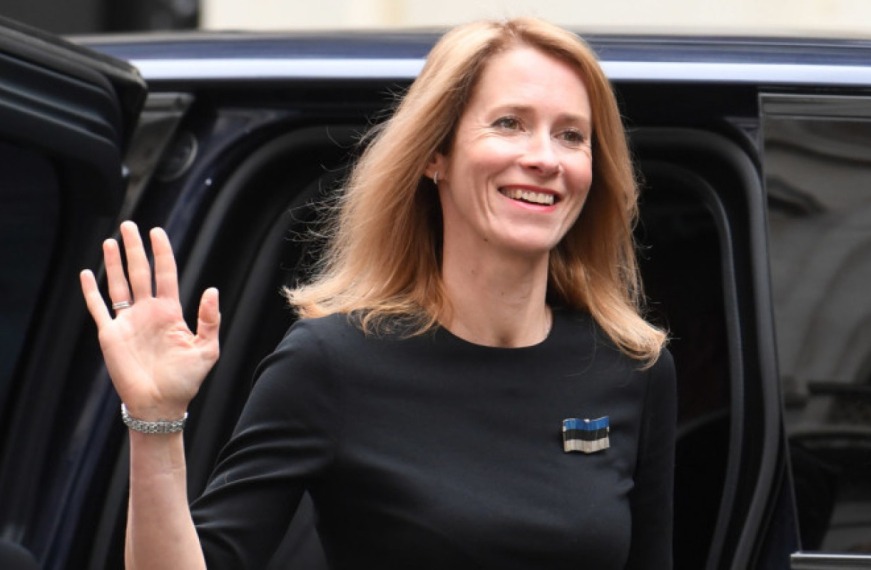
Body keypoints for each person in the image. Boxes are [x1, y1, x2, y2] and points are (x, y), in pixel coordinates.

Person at [80, 17, 676, 570]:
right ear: (436, 155)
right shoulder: (331, 361)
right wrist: (156, 421)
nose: (544, 158)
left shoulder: (632, 369)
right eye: (509, 124)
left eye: (571, 135)